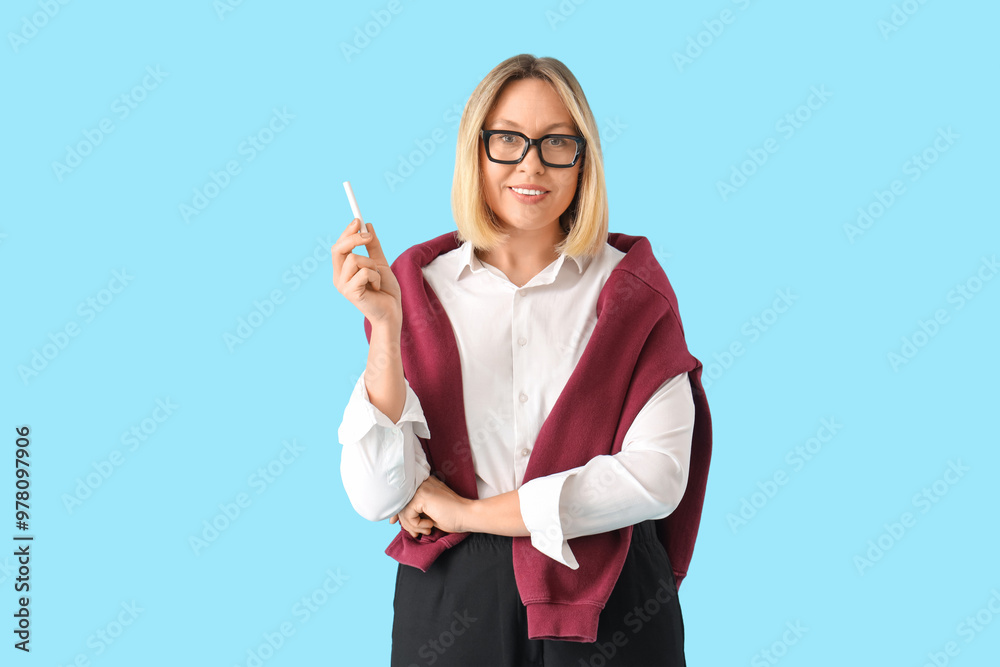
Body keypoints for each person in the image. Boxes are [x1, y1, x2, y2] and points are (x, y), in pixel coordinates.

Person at [333, 54, 712, 666]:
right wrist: (384, 328)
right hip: (455, 597)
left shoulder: (634, 290)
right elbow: (380, 497)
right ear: (475, 151)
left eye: (557, 142)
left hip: (610, 590)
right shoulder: (416, 288)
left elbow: (656, 477)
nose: (531, 163)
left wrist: (470, 512)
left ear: (582, 159)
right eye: (507, 140)